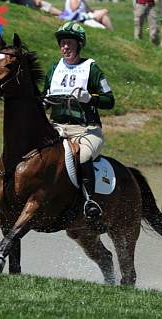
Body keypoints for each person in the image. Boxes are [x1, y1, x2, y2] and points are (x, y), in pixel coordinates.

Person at [43, 22, 115, 222]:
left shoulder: (91, 69)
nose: (65, 47)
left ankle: (90, 201)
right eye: (62, 43)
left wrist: (90, 99)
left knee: (81, 158)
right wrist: (43, 103)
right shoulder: (53, 70)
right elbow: (43, 99)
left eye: (69, 43)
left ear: (78, 45)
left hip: (86, 130)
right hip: (57, 128)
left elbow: (110, 101)